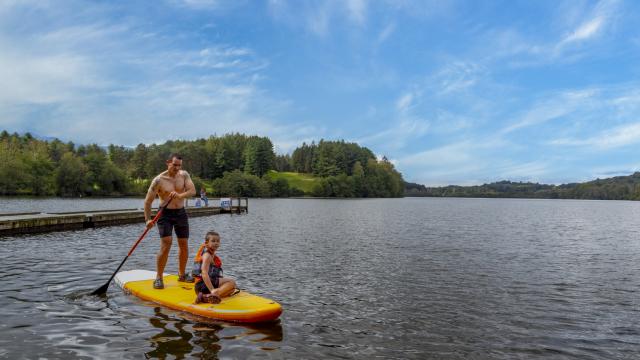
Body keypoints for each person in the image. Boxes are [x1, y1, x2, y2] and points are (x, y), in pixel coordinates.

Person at [144, 153, 196, 289]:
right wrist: (148, 219)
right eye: (175, 165)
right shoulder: (159, 180)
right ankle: (159, 278)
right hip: (164, 214)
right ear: (168, 163)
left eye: (179, 165)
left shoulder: (184, 175)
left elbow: (192, 191)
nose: (177, 168)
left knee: (183, 244)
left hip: (180, 213)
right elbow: (148, 202)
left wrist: (180, 195)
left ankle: (182, 274)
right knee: (166, 244)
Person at [192, 231, 237, 304]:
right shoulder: (207, 256)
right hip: (202, 285)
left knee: (231, 290)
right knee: (232, 282)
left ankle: (205, 297)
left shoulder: (211, 254)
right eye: (213, 241)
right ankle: (214, 293)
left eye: (218, 241)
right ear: (206, 243)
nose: (216, 243)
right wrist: (212, 290)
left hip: (203, 287)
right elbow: (204, 273)